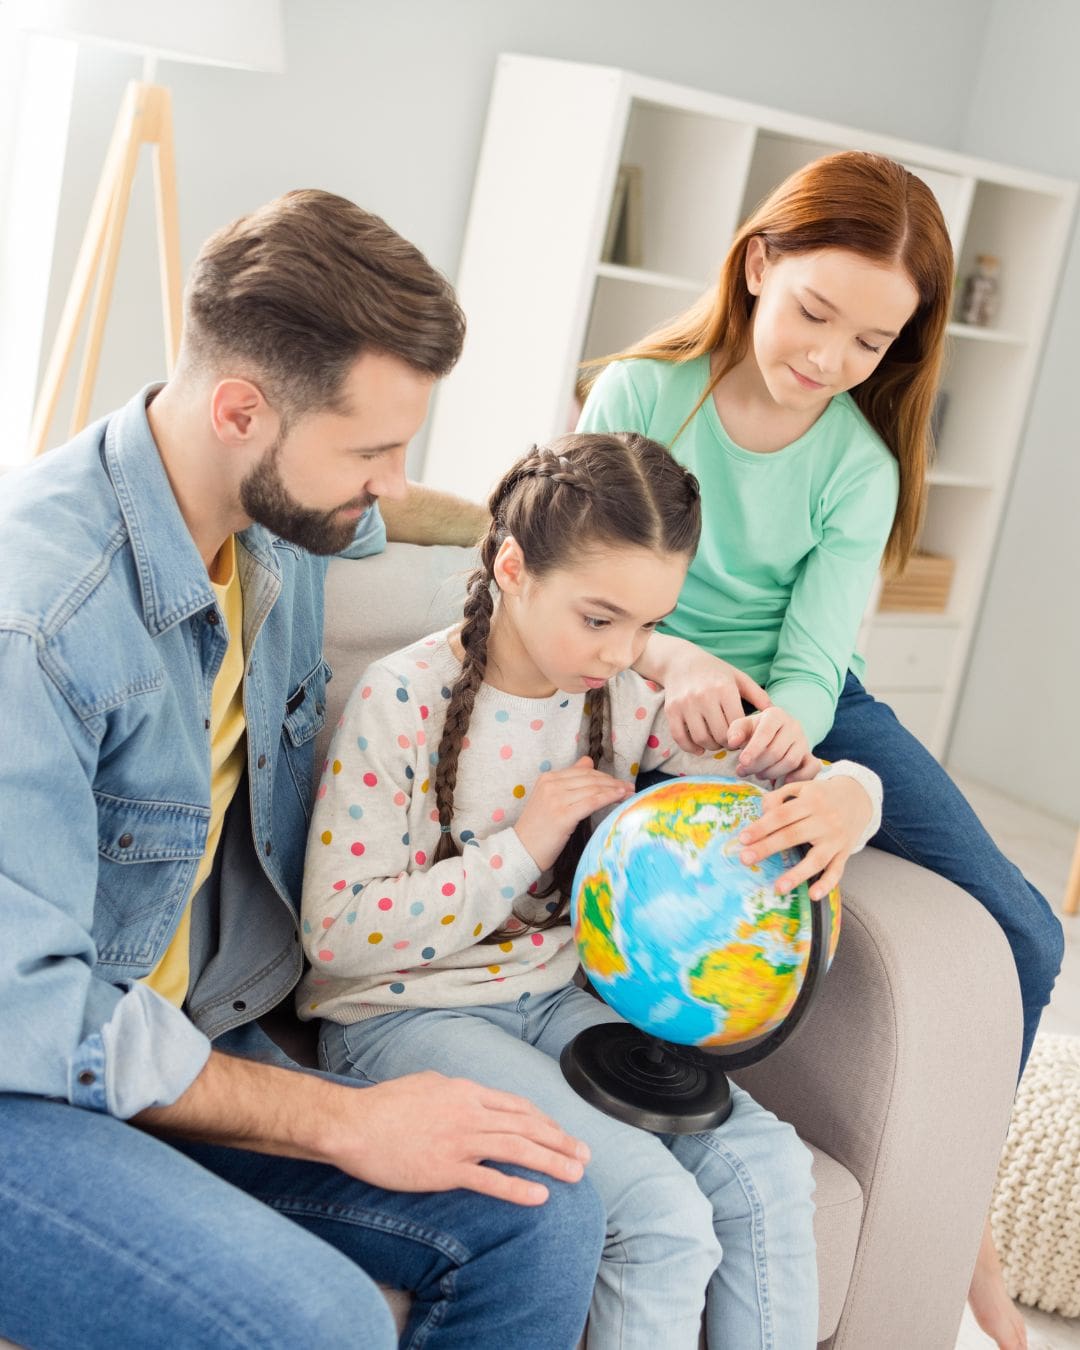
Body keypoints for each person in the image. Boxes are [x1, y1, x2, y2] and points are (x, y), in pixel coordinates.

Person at [0, 190, 608, 1350]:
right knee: (322, 1320)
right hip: (26, 1083)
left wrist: (564, 578)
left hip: (172, 1036)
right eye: (372, 450)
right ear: (241, 409)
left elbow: (402, 521)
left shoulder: (271, 516)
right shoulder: (40, 623)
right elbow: (24, 1009)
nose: (391, 479)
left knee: (539, 1205)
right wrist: (341, 1123)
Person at [577, 149, 1062, 1350]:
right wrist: (671, 659)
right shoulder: (641, 395)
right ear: (757, 265)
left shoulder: (860, 462)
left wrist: (793, 743)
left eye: (871, 342)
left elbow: (812, 658)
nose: (831, 358)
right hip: (643, 668)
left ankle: (964, 1208)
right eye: (814, 313)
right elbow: (582, 583)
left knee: (1030, 929)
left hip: (809, 698)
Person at [300, 430, 884, 1349]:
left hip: (552, 1000)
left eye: (651, 626)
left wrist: (850, 795)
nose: (625, 652)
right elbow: (334, 935)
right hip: (399, 1016)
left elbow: (775, 788)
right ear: (513, 569)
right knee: (660, 1218)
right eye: (601, 619)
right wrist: (522, 846)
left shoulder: (628, 696)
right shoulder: (399, 698)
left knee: (769, 1167)